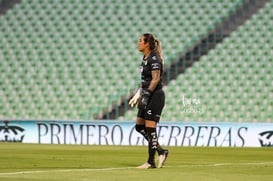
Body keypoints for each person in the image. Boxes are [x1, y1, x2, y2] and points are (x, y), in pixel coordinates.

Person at [129, 33, 169, 169]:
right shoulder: (145, 58)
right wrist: (139, 93)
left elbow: (155, 79)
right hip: (147, 93)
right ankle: (161, 151)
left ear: (147, 44)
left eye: (140, 41)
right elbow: (145, 81)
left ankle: (151, 161)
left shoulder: (154, 58)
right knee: (139, 127)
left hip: (155, 96)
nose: (138, 42)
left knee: (150, 128)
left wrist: (146, 95)